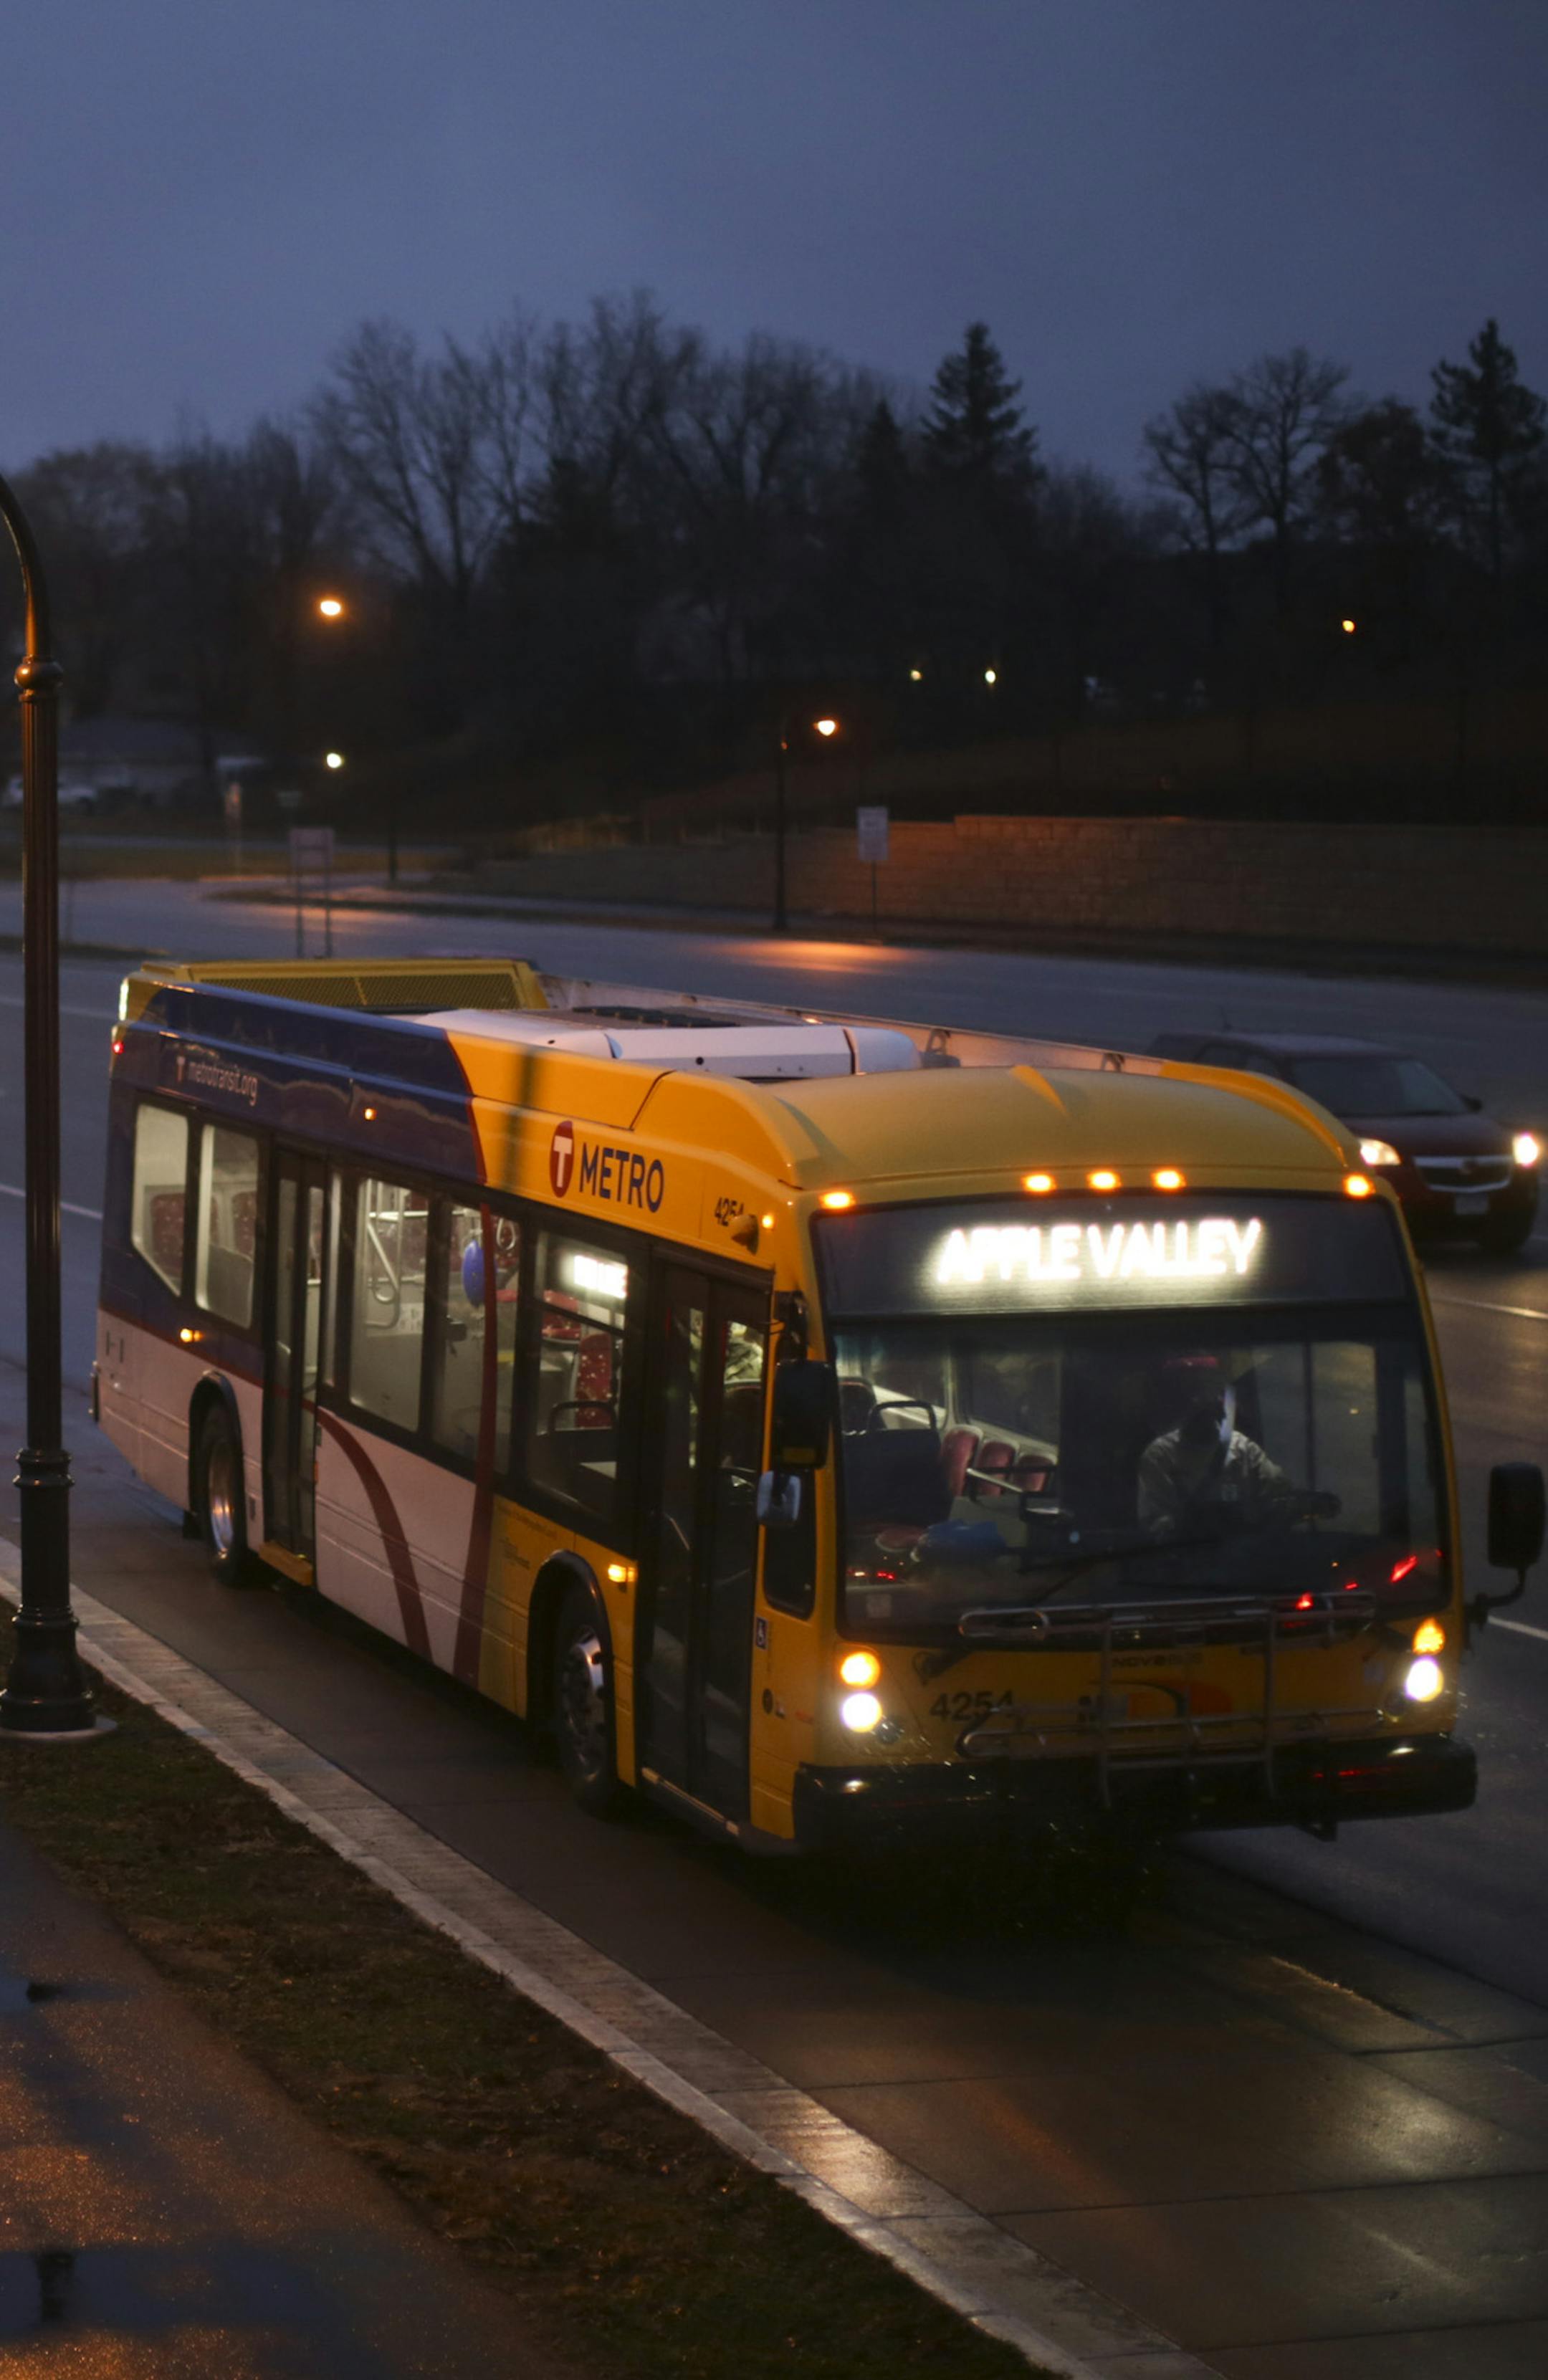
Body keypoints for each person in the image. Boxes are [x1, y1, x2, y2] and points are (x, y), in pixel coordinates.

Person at [1138, 1358, 1300, 1537]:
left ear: (1220, 1404)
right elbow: (1157, 1523)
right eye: (1193, 1394)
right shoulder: (1160, 1455)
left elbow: (1278, 1495)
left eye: (1208, 1393)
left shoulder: (1244, 1449)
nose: (1200, 1402)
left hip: (1242, 1554)